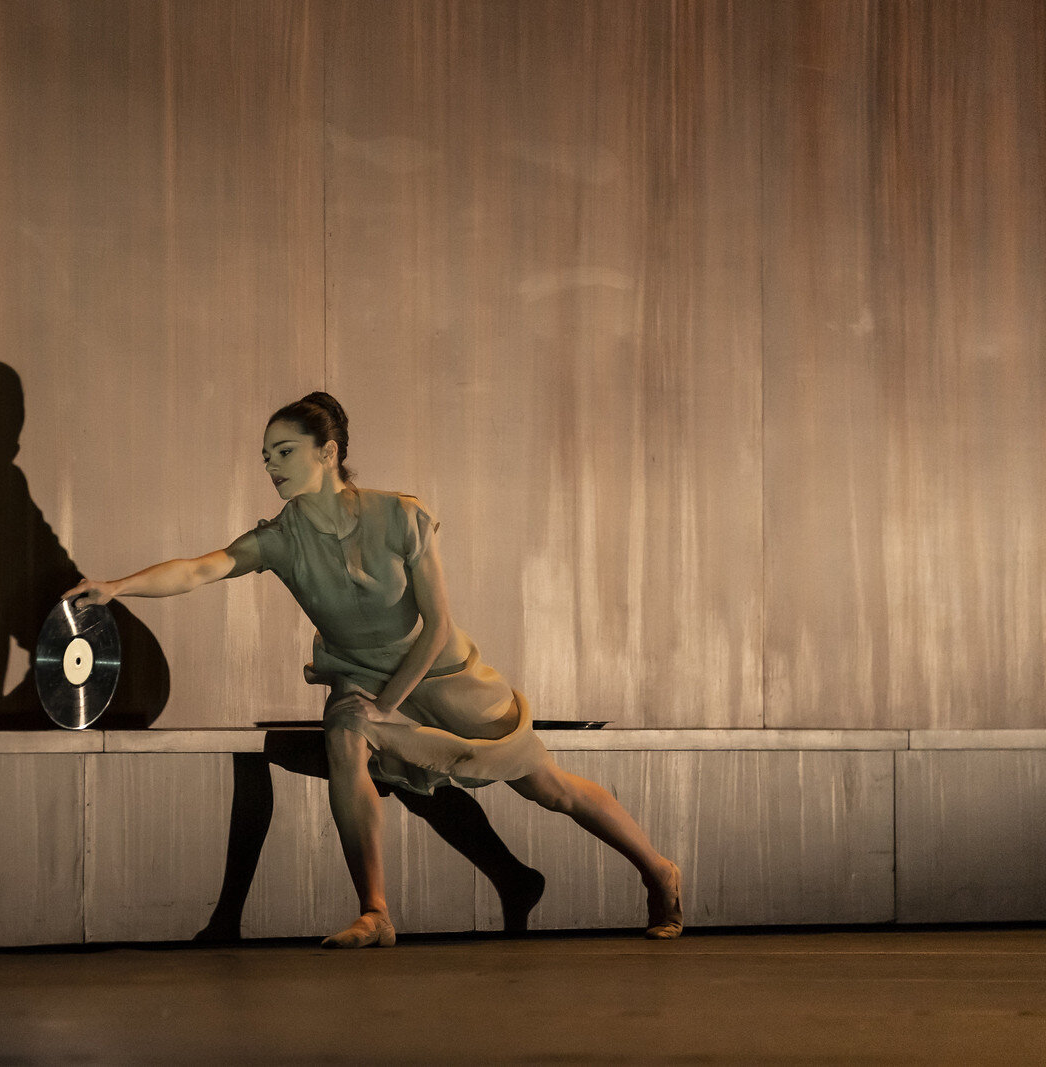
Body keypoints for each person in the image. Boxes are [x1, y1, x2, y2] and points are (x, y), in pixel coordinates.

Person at [63, 391, 682, 948]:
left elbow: (437, 624)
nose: (270, 466)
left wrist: (393, 702)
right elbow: (200, 568)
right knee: (344, 734)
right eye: (265, 455)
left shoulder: (400, 515)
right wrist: (117, 587)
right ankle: (375, 912)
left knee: (548, 787)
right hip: (359, 679)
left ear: (327, 453)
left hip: (443, 675)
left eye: (284, 451)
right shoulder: (280, 537)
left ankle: (659, 871)